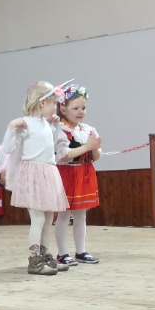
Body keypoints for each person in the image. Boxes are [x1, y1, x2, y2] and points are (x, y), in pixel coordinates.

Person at [2, 81, 72, 276]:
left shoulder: (45, 123)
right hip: (33, 174)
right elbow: (7, 148)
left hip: (48, 172)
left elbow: (50, 147)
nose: (56, 107)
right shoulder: (25, 123)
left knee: (48, 217)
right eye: (53, 103)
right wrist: (11, 127)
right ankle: (34, 260)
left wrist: (54, 128)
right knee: (38, 218)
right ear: (42, 103)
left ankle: (44, 255)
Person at [54, 84, 104, 266]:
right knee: (64, 215)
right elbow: (64, 156)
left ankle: (81, 251)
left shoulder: (87, 130)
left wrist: (95, 147)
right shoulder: (60, 130)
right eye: (75, 108)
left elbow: (96, 157)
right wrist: (87, 146)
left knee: (81, 215)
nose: (80, 112)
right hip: (67, 173)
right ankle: (62, 253)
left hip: (85, 172)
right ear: (63, 109)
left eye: (83, 108)